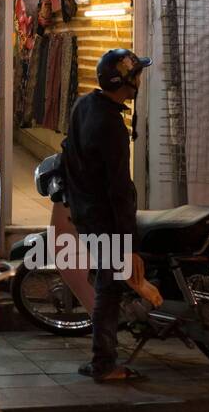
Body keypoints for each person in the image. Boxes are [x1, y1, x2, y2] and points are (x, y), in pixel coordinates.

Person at [62, 48, 151, 383]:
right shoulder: (111, 125)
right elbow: (119, 189)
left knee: (107, 282)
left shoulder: (84, 105)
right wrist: (130, 242)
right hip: (105, 219)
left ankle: (103, 359)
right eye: (136, 74)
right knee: (110, 289)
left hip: (86, 212)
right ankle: (104, 363)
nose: (139, 79)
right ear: (124, 82)